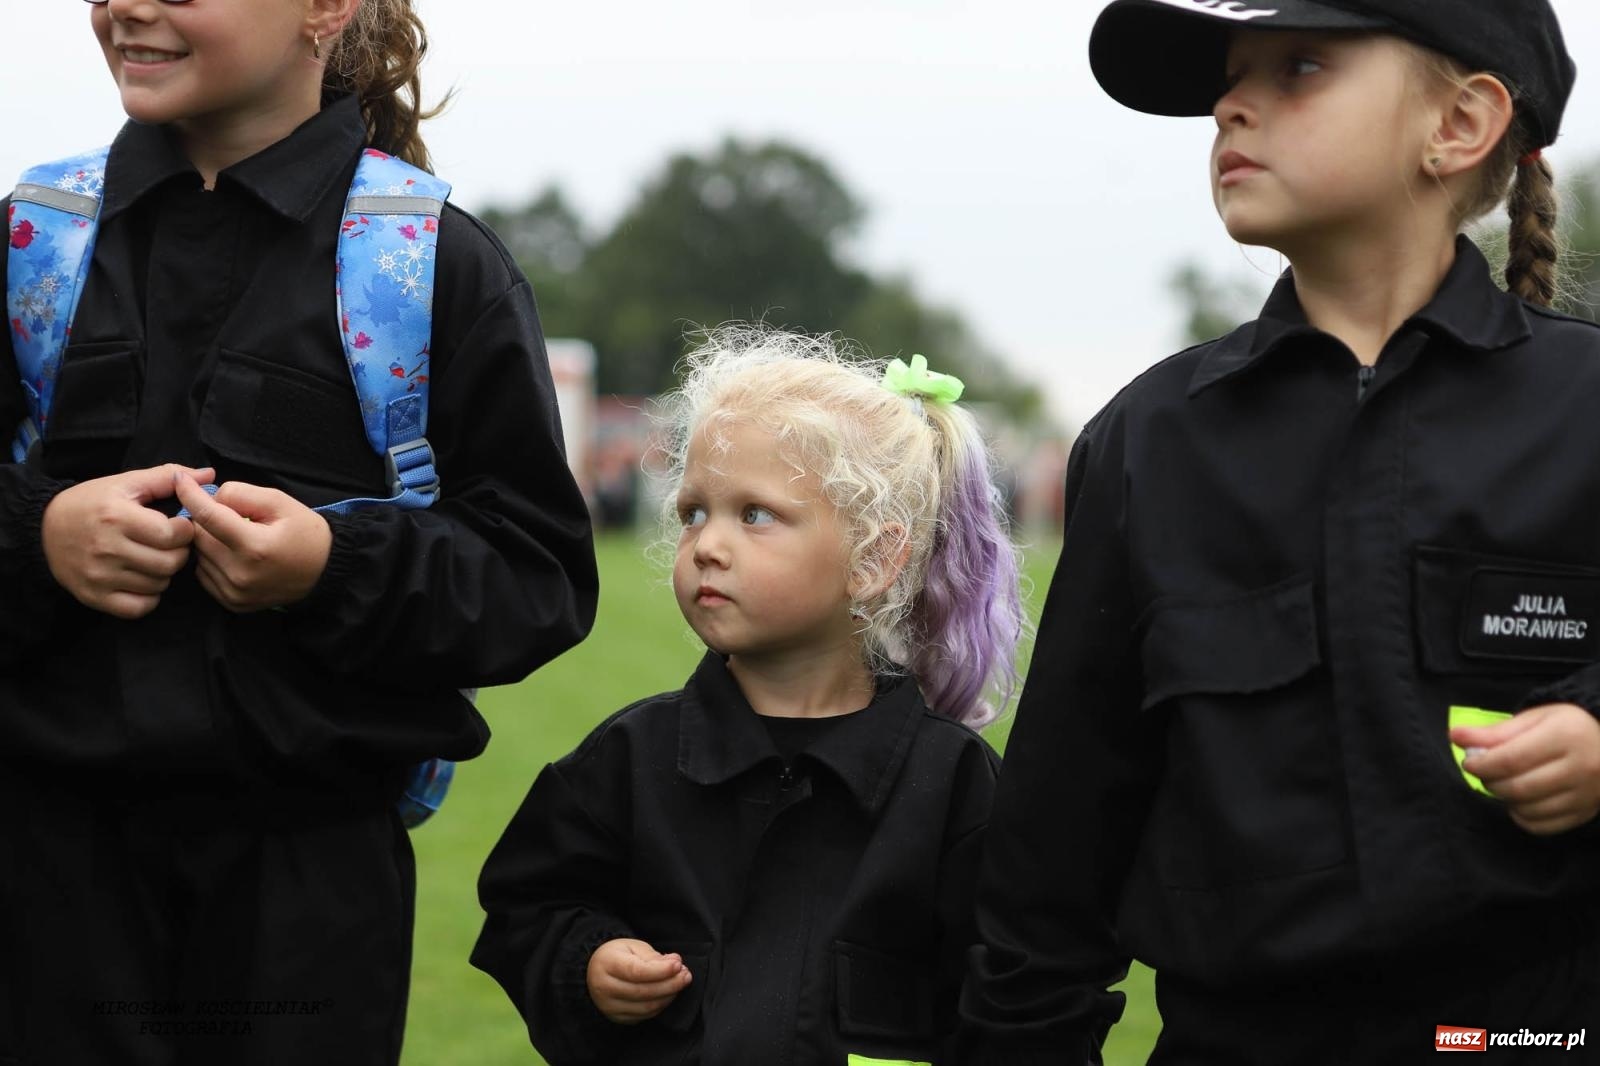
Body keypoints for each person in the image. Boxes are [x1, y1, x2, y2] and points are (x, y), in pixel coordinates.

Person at [958, 2, 1600, 1063]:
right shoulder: (1146, 444)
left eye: (1298, 66)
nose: (1229, 103)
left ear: (1462, 122)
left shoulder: (1586, 408)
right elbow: (1050, 860)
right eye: (1230, 72)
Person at [0, 1, 597, 1063]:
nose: (127, 5)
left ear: (325, 8)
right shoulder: (32, 243)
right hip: (44, 879)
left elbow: (536, 578)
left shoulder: (431, 265)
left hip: (313, 898)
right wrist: (38, 535)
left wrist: (334, 566)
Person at [471, 328, 1024, 1066]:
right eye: (695, 511)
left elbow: (1013, 1001)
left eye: (755, 514)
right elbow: (528, 907)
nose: (707, 544)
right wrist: (587, 960)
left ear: (875, 557)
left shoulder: (953, 788)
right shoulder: (631, 760)